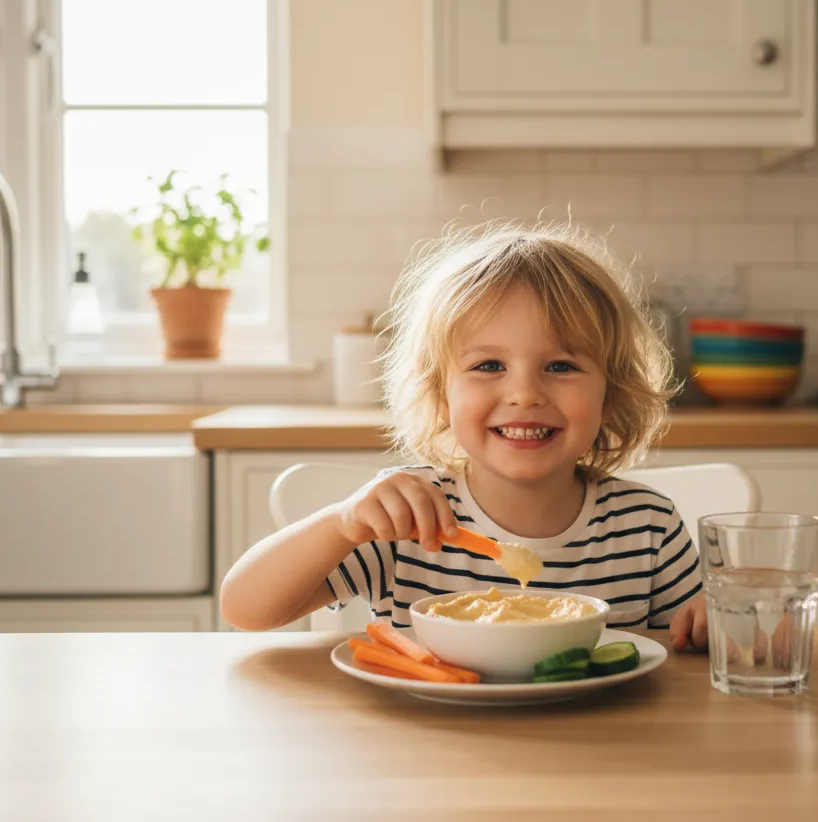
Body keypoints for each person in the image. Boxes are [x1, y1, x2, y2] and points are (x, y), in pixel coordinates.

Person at [220, 222, 708, 653]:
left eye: (561, 366)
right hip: (430, 746)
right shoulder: (408, 520)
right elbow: (245, 610)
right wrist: (342, 523)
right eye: (488, 366)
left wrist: (722, 620)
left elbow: (695, 646)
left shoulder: (647, 527)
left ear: (612, 393)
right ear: (440, 393)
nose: (524, 394)